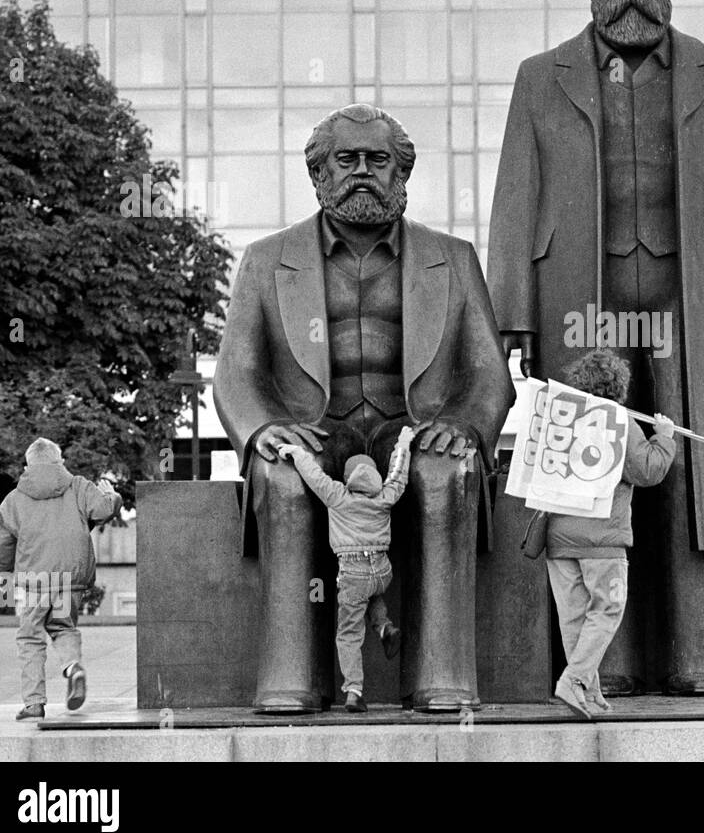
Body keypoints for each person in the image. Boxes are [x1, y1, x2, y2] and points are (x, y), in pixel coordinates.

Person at [487, 0, 704, 695]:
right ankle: (603, 662)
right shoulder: (540, 77)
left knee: (694, 470)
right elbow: (514, 202)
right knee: (587, 470)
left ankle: (702, 652)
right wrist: (511, 314)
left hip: (695, 296)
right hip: (576, 295)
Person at [213, 103, 514, 713]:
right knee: (284, 472)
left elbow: (488, 373)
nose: (361, 172)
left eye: (377, 160)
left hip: (413, 426)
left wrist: (464, 423)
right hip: (315, 427)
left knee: (446, 469)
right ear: (318, 174)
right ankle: (291, 678)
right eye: (344, 160)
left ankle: (441, 677)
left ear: (401, 173)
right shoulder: (268, 259)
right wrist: (264, 428)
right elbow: (235, 372)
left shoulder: (452, 257)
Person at [545, 349, 675, 719]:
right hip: (602, 540)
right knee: (607, 609)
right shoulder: (620, 422)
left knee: (573, 618)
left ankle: (587, 691)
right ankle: (573, 683)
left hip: (558, 538)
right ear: (620, 386)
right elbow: (647, 470)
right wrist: (664, 438)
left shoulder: (565, 419)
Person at [278, 427, 414, 713]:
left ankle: (354, 691)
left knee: (348, 634)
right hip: (382, 571)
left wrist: (299, 453)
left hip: (353, 572)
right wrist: (403, 442)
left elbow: (315, 476)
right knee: (371, 595)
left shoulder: (338, 496)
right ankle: (384, 627)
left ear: (348, 478)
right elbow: (399, 472)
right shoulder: (386, 497)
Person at [0, 438, 122, 721]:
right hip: (69, 580)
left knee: (30, 637)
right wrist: (114, 497)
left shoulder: (15, 499)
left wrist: (4, 572)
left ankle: (34, 702)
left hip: (36, 581)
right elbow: (103, 510)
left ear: (28, 465)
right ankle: (73, 666)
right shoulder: (79, 486)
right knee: (62, 626)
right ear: (60, 462)